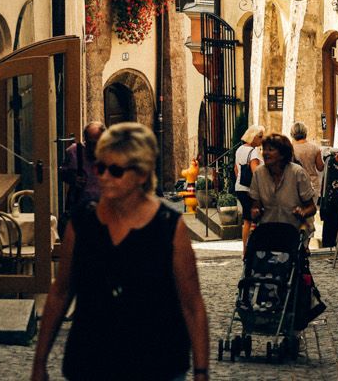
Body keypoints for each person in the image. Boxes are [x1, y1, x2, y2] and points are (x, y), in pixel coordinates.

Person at [31, 122, 210, 381]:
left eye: (115, 170)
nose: (103, 176)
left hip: (155, 363)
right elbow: (61, 292)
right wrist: (39, 363)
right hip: (91, 361)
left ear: (140, 174)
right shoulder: (83, 222)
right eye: (99, 167)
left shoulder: (168, 227)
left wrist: (201, 372)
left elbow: (192, 304)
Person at [248, 133, 316, 233]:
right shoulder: (259, 173)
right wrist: (255, 211)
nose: (265, 153)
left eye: (270, 150)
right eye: (264, 149)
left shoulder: (297, 173)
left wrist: (303, 212)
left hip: (293, 231)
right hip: (269, 230)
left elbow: (312, 208)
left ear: (282, 154)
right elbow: (256, 205)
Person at [59, 121, 104, 217]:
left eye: (96, 143)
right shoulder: (75, 152)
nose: (93, 148)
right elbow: (62, 173)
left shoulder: (111, 154)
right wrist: (73, 178)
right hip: (80, 209)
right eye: (90, 143)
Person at [234, 124, 263, 247]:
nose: (262, 140)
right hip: (249, 189)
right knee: (254, 219)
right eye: (260, 137)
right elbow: (256, 173)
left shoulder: (239, 149)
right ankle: (252, 248)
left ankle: (245, 250)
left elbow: (236, 169)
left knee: (247, 220)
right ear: (253, 137)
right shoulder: (253, 152)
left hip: (239, 187)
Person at [290, 122, 324, 203]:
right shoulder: (315, 148)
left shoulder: (290, 149)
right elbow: (320, 167)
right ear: (305, 132)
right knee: (310, 211)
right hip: (312, 183)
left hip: (295, 183)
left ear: (292, 134)